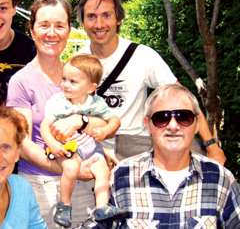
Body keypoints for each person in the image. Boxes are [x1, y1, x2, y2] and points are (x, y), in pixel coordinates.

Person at [76, 0, 226, 164]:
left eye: (106, 15)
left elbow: (183, 99)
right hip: (92, 145)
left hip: (135, 144)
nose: (99, 24)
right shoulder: (77, 61)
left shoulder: (142, 55)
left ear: (118, 19)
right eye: (91, 16)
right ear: (82, 22)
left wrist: (211, 146)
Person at [7, 0, 118, 228]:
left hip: (84, 184)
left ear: (69, 29)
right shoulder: (21, 81)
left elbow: (99, 120)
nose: (52, 33)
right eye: (44, 25)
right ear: (32, 29)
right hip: (41, 184)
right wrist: (71, 169)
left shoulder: (78, 74)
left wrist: (82, 121)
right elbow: (23, 144)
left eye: (59, 25)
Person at [100, 84, 240, 228]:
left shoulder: (220, 178)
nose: (173, 126)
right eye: (162, 118)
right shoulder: (121, 176)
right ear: (147, 124)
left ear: (197, 125)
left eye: (184, 117)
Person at [41, 54, 121, 227]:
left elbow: (115, 121)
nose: (65, 85)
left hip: (91, 148)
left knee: (102, 170)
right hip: (68, 148)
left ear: (92, 87)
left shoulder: (96, 103)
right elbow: (45, 126)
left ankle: (101, 207)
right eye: (64, 79)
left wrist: (105, 130)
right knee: (70, 168)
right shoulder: (58, 102)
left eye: (73, 81)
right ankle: (65, 206)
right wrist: (53, 144)